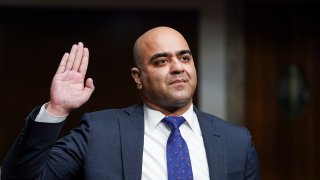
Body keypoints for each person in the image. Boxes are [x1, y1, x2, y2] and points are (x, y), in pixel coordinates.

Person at [1, 26, 260, 180]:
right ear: (138, 78)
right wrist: (56, 110)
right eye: (161, 61)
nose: (178, 68)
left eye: (184, 57)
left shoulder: (236, 141)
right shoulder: (98, 132)